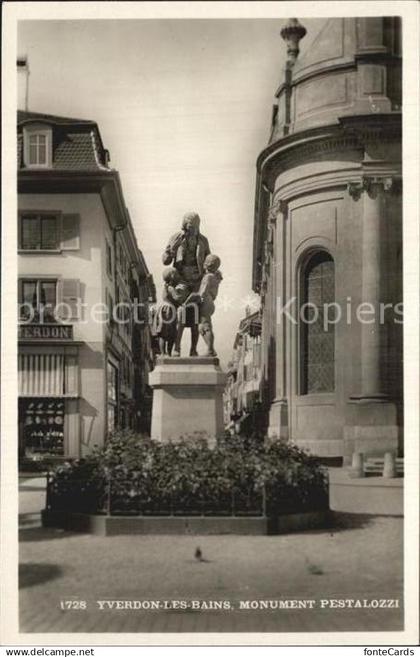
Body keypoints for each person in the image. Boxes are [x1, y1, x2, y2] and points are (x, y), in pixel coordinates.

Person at [162, 212, 211, 292]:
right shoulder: (176, 238)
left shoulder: (203, 240)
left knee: (197, 301)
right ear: (185, 225)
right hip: (180, 279)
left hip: (198, 280)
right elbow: (165, 261)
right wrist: (172, 250)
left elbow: (209, 260)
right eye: (191, 227)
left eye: (196, 227)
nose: (194, 230)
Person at [153, 267, 189, 356]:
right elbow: (176, 297)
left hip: (167, 309)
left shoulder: (167, 286)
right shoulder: (170, 288)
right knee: (166, 333)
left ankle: (165, 353)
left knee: (167, 333)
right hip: (168, 310)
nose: (178, 276)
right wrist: (186, 297)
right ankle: (164, 353)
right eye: (176, 274)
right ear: (172, 276)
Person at [197, 254, 223, 357]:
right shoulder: (214, 277)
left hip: (205, 302)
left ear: (207, 264)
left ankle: (210, 350)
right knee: (202, 326)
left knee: (205, 326)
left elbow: (203, 291)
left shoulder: (208, 277)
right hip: (210, 302)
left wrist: (197, 300)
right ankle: (211, 348)